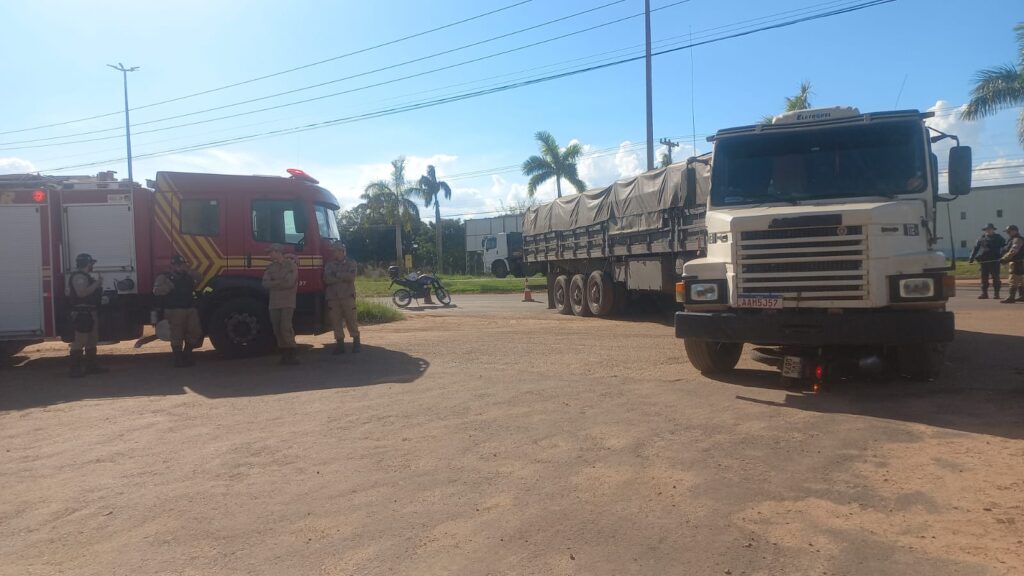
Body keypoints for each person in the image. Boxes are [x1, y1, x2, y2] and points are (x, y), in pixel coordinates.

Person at [153, 255, 203, 367]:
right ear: (172, 266)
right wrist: (169, 286)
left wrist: (189, 271)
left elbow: (200, 278)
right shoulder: (165, 277)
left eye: (182, 264)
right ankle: (178, 358)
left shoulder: (189, 275)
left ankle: (187, 354)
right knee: (177, 335)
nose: (179, 267)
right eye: (177, 265)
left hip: (190, 308)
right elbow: (157, 291)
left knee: (195, 332)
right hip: (174, 310)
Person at [66, 253, 107, 377]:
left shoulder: (85, 276)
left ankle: (91, 366)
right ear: (86, 264)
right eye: (91, 263)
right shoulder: (79, 277)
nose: (92, 266)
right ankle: (75, 369)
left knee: (91, 341)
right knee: (79, 341)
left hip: (90, 312)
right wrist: (97, 284)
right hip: (81, 313)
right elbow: (82, 293)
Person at [262, 243, 299, 364]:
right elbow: (265, 284)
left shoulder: (291, 265)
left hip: (287, 302)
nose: (269, 254)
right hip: (274, 303)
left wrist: (274, 283)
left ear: (278, 252)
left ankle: (292, 352)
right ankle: (284, 353)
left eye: (271, 252)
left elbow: (289, 283)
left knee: (285, 327)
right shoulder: (270, 267)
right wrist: (280, 282)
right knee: (276, 328)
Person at [323, 241, 360, 355]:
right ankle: (340, 345)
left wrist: (337, 275)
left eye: (335, 251)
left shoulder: (351, 263)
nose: (334, 253)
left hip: (347, 296)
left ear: (341, 251)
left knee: (351, 320)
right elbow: (326, 279)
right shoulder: (329, 264)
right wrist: (341, 277)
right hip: (333, 297)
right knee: (336, 321)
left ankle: (356, 342)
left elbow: (351, 277)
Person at [968, 223, 1006, 299]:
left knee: (996, 278)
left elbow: (1005, 247)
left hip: (994, 260)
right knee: (984, 278)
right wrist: (971, 258)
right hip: (984, 261)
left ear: (993, 229)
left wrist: (1002, 256)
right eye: (986, 229)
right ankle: (984, 293)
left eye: (990, 229)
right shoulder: (981, 238)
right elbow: (975, 248)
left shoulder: (999, 238)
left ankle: (996, 294)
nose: (988, 230)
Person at [999, 224, 1023, 304]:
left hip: (1017, 262)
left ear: (1014, 231)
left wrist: (1004, 259)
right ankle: (1022, 296)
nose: (1008, 233)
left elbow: (1013, 251)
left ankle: (1011, 297)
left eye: (1009, 232)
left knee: (1013, 279)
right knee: (1021, 280)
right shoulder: (1016, 239)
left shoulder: (1017, 239)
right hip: (1020, 262)